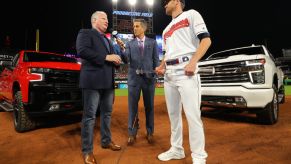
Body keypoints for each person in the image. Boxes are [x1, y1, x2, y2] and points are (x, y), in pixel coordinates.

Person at [155, 0, 211, 164]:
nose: (163, 4)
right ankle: (177, 149)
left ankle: (199, 156)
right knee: (174, 116)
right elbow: (167, 53)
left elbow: (206, 40)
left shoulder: (191, 14)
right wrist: (161, 66)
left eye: (166, 1)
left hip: (187, 70)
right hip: (170, 74)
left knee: (193, 115)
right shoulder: (165, 30)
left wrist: (193, 62)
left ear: (177, 1)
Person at [76, 11, 122, 164]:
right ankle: (87, 151)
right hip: (92, 82)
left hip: (107, 82)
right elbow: (82, 51)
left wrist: (115, 61)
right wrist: (106, 57)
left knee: (107, 114)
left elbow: (109, 58)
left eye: (108, 19)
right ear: (94, 20)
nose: (107, 21)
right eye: (104, 18)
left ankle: (106, 141)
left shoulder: (107, 39)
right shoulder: (85, 33)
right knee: (89, 117)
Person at [117, 19, 159, 145]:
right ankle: (132, 133)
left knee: (149, 107)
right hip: (134, 79)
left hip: (149, 80)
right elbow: (126, 59)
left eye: (137, 26)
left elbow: (156, 61)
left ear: (144, 28)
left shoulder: (153, 42)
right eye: (133, 26)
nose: (134, 28)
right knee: (132, 108)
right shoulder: (129, 44)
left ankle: (150, 132)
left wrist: (154, 76)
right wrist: (122, 49)